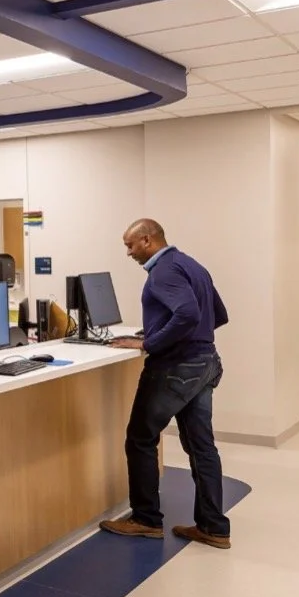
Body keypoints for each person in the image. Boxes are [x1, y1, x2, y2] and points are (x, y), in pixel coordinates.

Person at [100, 219, 231, 549]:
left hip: (175, 367)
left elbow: (186, 314)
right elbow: (217, 314)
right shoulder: (191, 265)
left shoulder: (163, 272)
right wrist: (166, 332)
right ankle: (214, 527)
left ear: (147, 240)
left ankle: (146, 520)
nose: (128, 252)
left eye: (130, 245)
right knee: (202, 447)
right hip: (205, 362)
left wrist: (150, 343)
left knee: (140, 439)